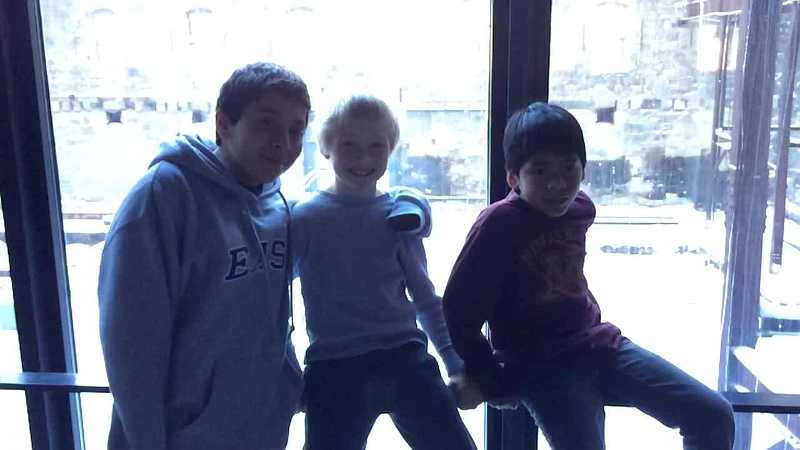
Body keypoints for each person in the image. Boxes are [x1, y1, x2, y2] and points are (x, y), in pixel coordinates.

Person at [443, 102, 735, 449]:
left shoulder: (579, 208)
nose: (557, 183)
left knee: (712, 415)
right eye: (540, 170)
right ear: (513, 177)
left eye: (569, 167)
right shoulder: (498, 225)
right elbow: (458, 310)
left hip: (598, 343)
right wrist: (489, 377)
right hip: (543, 365)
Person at [98, 62, 310, 450]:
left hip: (262, 432)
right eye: (266, 123)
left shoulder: (278, 205)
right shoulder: (163, 197)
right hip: (179, 437)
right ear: (224, 123)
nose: (283, 141)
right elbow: (130, 343)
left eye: (296, 130)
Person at [291, 95, 476, 450]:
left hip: (404, 356)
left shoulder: (399, 216)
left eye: (376, 146)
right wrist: (286, 373)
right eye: (349, 145)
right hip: (334, 365)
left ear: (391, 149)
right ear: (326, 148)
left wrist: (455, 364)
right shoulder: (306, 218)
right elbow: (273, 301)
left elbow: (425, 298)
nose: (363, 158)